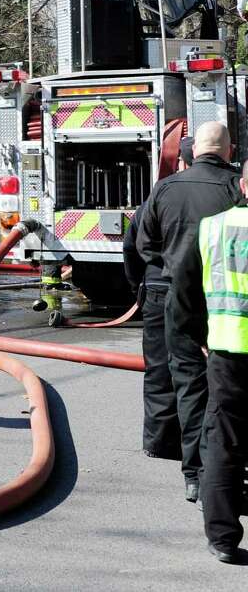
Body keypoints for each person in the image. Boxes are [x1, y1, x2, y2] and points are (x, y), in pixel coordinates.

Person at [136, 121, 239, 504]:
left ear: (194, 151)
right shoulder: (235, 188)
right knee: (226, 388)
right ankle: (226, 470)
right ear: (229, 151)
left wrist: (172, 276)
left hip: (174, 300)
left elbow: (145, 245)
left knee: (186, 384)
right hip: (226, 303)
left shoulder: (164, 189)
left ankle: (195, 474)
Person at [172, 162, 248, 564]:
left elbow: (183, 292)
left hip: (227, 349)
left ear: (244, 184)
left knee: (223, 440)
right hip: (226, 347)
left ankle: (222, 537)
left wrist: (197, 335)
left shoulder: (213, 227)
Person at [123, 137, 194, 467]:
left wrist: (139, 283)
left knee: (159, 369)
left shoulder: (161, 193)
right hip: (208, 294)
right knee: (201, 372)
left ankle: (160, 443)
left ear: (181, 161)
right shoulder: (230, 189)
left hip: (159, 290)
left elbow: (133, 242)